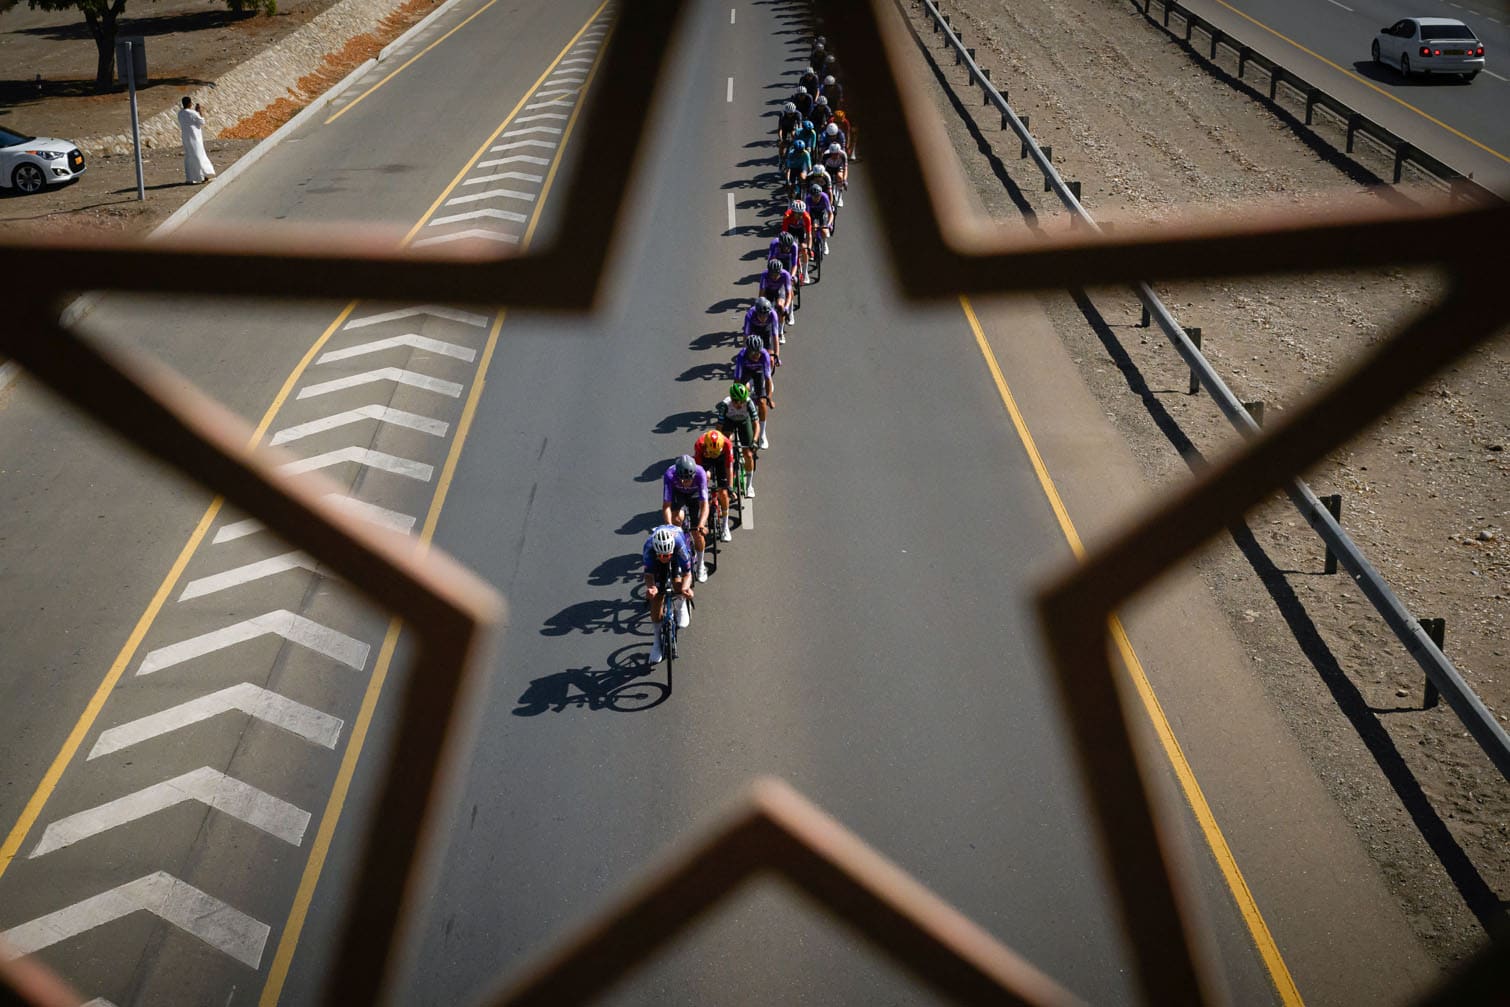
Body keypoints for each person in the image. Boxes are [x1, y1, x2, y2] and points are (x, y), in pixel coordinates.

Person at [643, 525, 693, 664]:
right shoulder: (649, 547)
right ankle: (656, 642)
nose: (665, 558)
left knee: (678, 584)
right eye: (662, 556)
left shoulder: (679, 545)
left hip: (677, 557)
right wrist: (652, 588)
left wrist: (685, 588)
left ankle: (680, 604)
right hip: (656, 562)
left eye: (667, 555)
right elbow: (648, 574)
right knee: (657, 598)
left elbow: (687, 574)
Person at [662, 454, 711, 582]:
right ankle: (679, 552)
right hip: (678, 493)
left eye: (688, 479)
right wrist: (669, 526)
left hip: (695, 495)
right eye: (682, 479)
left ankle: (700, 565)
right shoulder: (669, 474)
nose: (685, 482)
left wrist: (701, 524)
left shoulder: (700, 474)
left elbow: (704, 504)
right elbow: (666, 506)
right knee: (676, 519)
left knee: (697, 534)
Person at [716, 382, 761, 497]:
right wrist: (720, 444)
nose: (740, 404)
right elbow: (719, 428)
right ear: (731, 399)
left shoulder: (749, 402)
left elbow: (756, 424)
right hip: (729, 422)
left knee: (748, 454)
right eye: (736, 401)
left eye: (742, 401)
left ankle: (749, 485)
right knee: (726, 445)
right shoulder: (725, 405)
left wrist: (755, 441)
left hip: (744, 422)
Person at [694, 428, 736, 542]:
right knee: (706, 476)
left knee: (723, 493)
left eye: (716, 452)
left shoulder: (727, 444)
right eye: (712, 452)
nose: (714, 454)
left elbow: (729, 467)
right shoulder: (699, 444)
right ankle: (704, 511)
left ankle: (725, 526)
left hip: (722, 461)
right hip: (705, 459)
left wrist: (730, 487)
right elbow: (699, 470)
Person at [733, 335, 774, 449]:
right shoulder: (742, 356)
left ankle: (762, 434)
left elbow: (768, 378)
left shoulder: (764, 355)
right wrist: (737, 397)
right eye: (754, 353)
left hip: (759, 373)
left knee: (762, 402)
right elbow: (737, 380)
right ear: (748, 351)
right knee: (743, 391)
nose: (757, 355)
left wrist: (769, 397)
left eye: (758, 353)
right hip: (746, 373)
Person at [177, 97, 215, 184]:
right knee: (199, 155)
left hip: (186, 138)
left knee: (189, 157)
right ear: (190, 103)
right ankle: (204, 175)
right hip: (195, 138)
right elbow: (202, 122)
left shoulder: (180, 113)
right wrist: (199, 111)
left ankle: (190, 177)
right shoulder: (192, 113)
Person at [781, 199, 814, 286]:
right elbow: (784, 233)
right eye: (797, 214)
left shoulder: (806, 217)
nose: (800, 216)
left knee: (804, 249)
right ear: (793, 212)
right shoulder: (787, 216)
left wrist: (809, 248)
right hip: (790, 230)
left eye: (801, 214)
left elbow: (809, 234)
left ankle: (805, 272)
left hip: (800, 230)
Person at [757, 257, 795, 328]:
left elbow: (789, 294)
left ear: (780, 272)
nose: (774, 276)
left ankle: (781, 332)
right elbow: (761, 294)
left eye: (776, 274)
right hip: (769, 290)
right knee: (764, 307)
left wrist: (786, 308)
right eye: (772, 274)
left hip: (780, 289)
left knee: (780, 306)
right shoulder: (764, 275)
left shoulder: (785, 274)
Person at [807, 183, 832, 257]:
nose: (816, 198)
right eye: (814, 197)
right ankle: (814, 246)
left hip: (822, 212)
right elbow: (807, 215)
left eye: (818, 196)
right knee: (813, 229)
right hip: (813, 213)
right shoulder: (808, 199)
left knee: (824, 231)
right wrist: (809, 226)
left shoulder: (825, 197)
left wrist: (828, 224)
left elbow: (830, 213)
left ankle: (824, 243)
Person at [822, 141, 848, 208]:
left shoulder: (843, 155)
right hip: (829, 168)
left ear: (839, 152)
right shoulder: (825, 155)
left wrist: (844, 180)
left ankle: (840, 197)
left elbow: (845, 168)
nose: (834, 156)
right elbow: (822, 169)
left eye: (836, 154)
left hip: (839, 167)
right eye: (833, 154)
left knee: (839, 177)